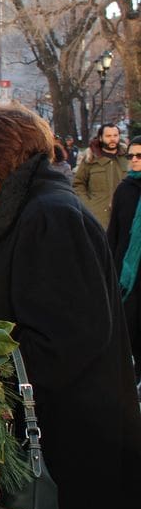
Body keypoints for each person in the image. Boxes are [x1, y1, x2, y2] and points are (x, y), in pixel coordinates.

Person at [0, 104, 141, 509]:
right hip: (64, 437)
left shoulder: (49, 216)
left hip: (74, 445)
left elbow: (67, 339)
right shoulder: (34, 210)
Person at [106, 135, 141, 379]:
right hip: (128, 273)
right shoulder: (125, 189)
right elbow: (114, 232)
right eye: (130, 156)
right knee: (129, 325)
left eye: (139, 156)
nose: (134, 160)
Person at [73, 122, 127, 228]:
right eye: (108, 136)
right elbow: (78, 184)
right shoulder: (90, 159)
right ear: (101, 138)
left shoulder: (128, 157)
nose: (112, 139)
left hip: (125, 216)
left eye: (115, 135)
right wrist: (88, 205)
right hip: (99, 218)